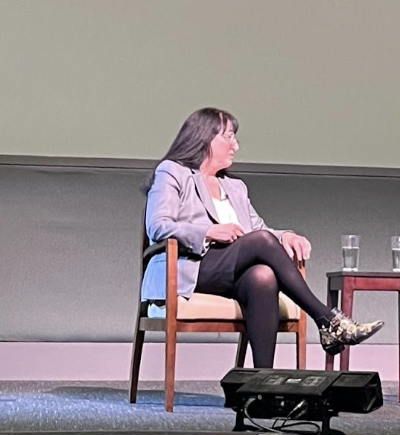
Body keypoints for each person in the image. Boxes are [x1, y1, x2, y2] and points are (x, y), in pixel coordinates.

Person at [141, 107, 383, 368]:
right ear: (205, 137)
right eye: (229, 137)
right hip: (188, 268)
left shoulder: (235, 187)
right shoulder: (173, 172)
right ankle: (327, 320)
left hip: (229, 271)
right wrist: (208, 232)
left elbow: (258, 228)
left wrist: (287, 235)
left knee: (263, 276)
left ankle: (260, 383)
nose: (236, 145)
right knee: (262, 242)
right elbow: (158, 226)